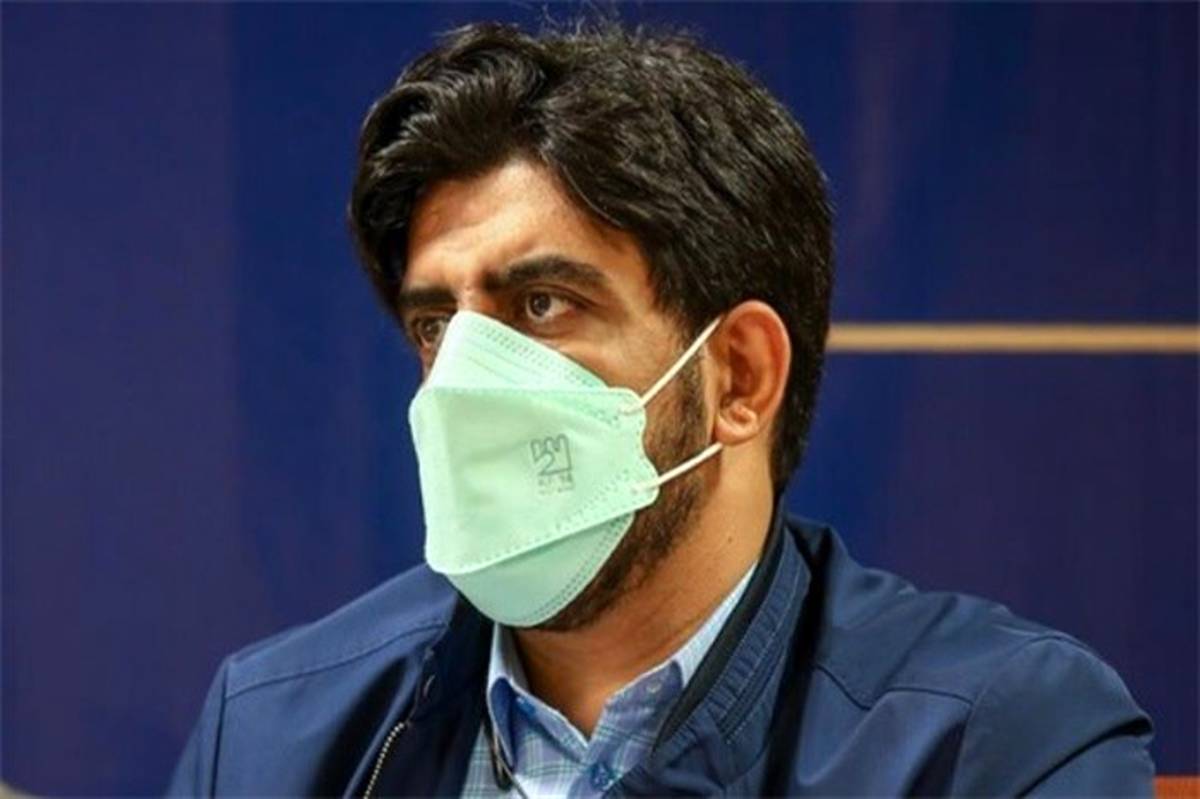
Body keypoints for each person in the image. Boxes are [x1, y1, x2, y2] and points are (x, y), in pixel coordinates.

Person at [168, 19, 1154, 797]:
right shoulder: (271, 732)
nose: (461, 382)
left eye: (541, 305)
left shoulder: (996, 742)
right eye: (436, 325)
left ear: (740, 377)